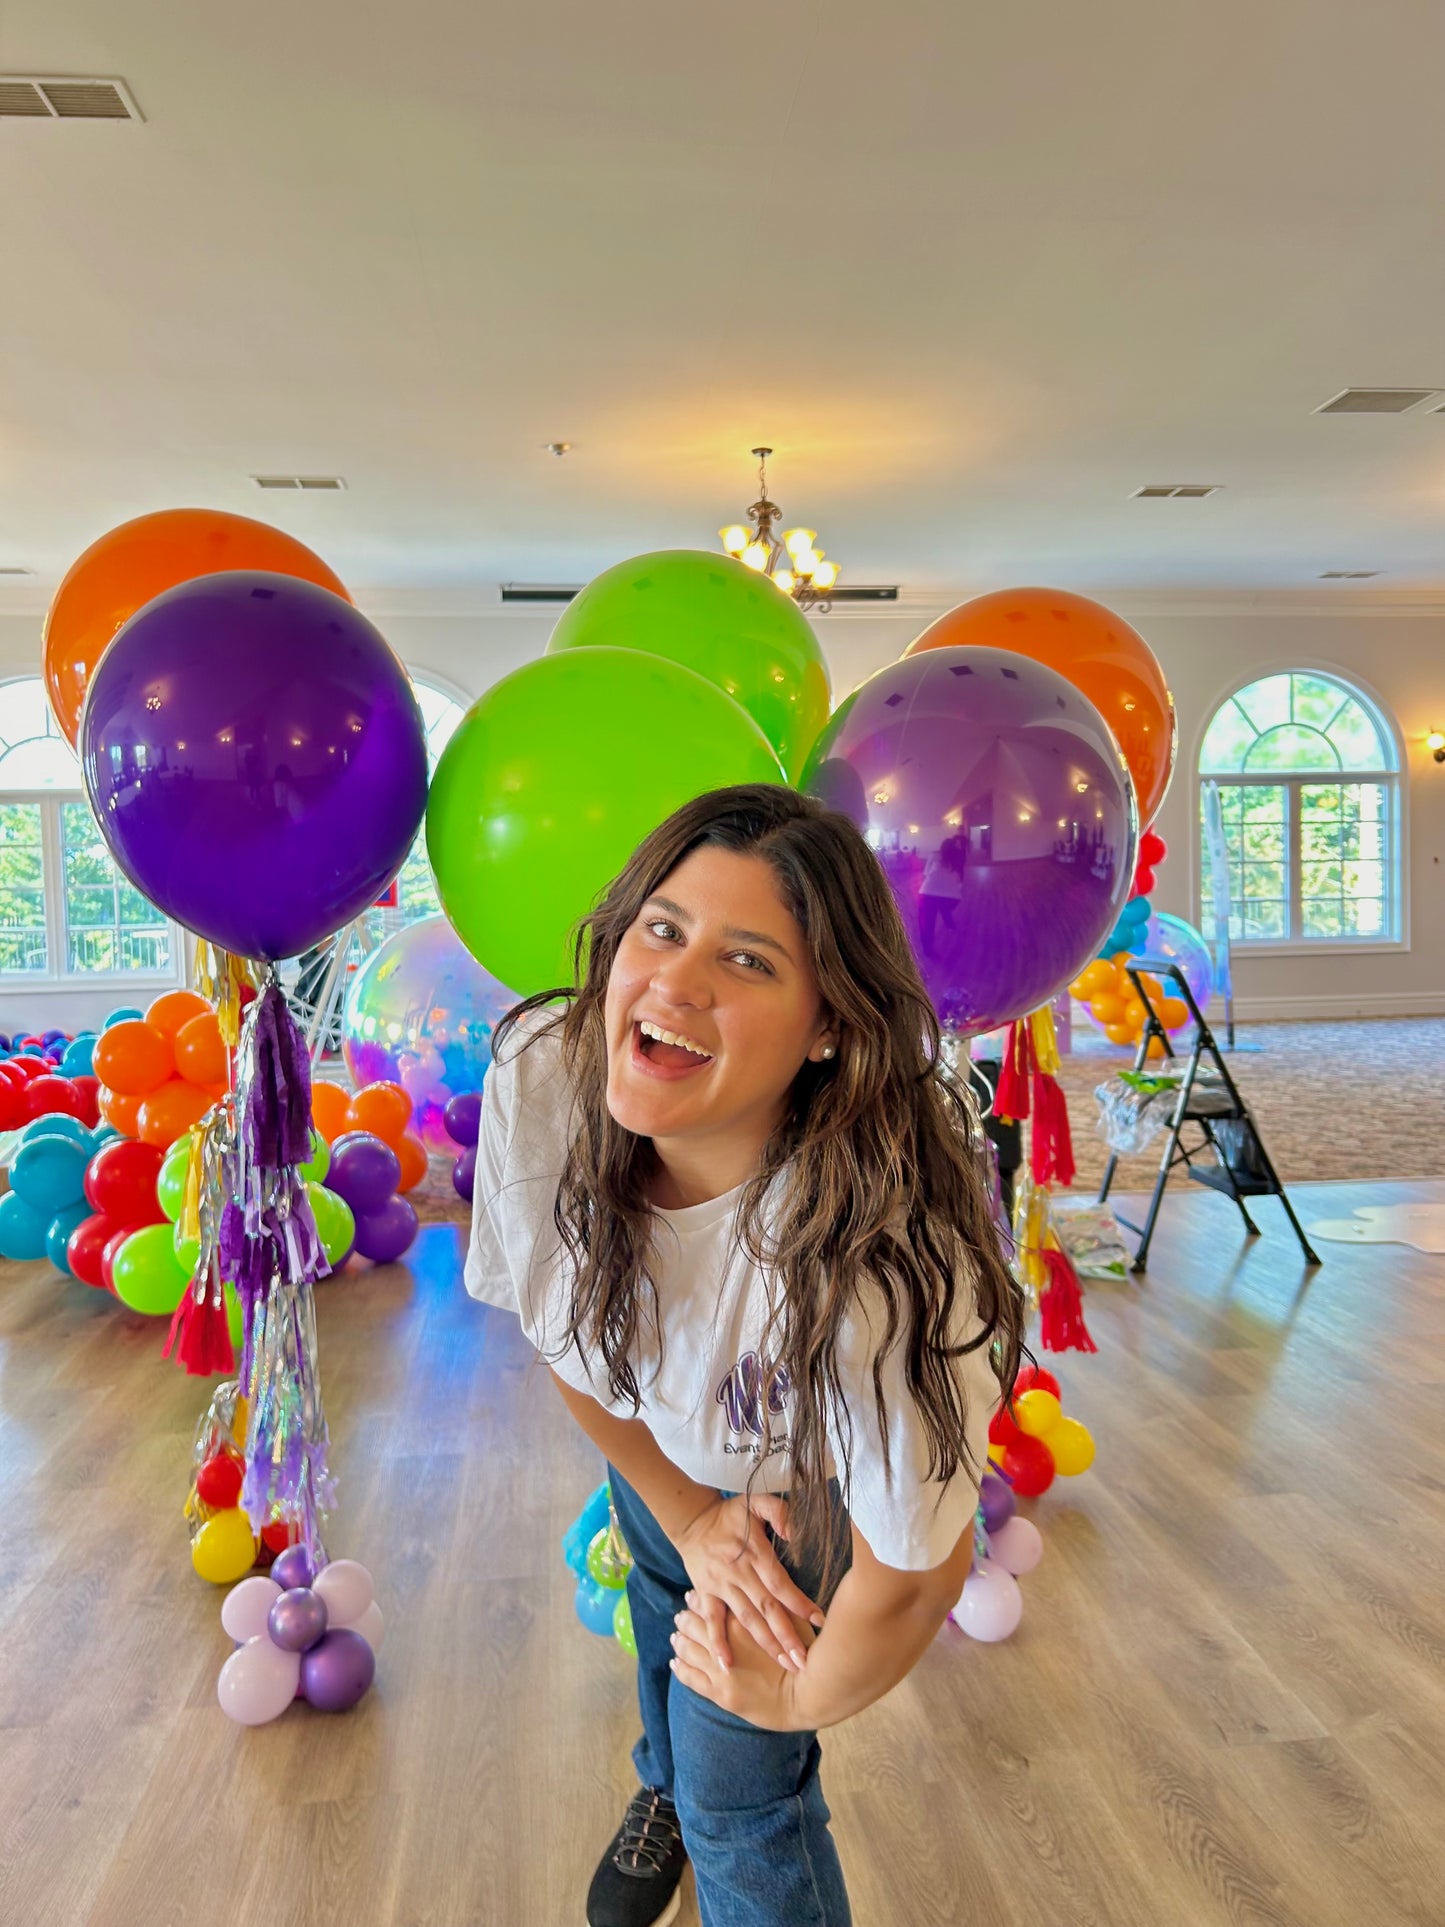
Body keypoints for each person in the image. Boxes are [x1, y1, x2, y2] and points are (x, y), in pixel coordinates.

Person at [466, 784, 1024, 1927]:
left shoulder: (881, 1270)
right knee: (668, 1609)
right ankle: (666, 1778)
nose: (673, 980)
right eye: (661, 928)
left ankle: (709, 1790)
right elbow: (559, 1329)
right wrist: (683, 1511)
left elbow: (914, 1571)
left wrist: (792, 1696)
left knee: (743, 1798)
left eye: (749, 960)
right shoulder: (545, 1076)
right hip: (663, 1438)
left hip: (802, 1486)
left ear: (828, 1026)